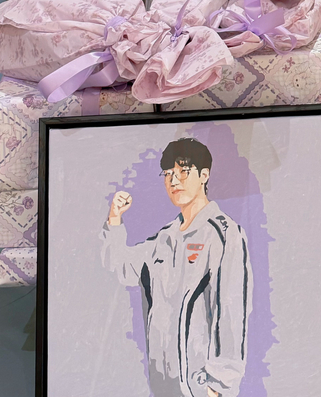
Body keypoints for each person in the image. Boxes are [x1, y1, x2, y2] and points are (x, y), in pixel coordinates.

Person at [101, 137, 252, 397]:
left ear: (204, 175)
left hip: (200, 388)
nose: (174, 180)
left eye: (183, 171)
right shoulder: (165, 238)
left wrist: (219, 386)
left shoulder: (224, 234)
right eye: (168, 173)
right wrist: (114, 219)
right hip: (162, 386)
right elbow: (123, 268)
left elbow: (230, 312)